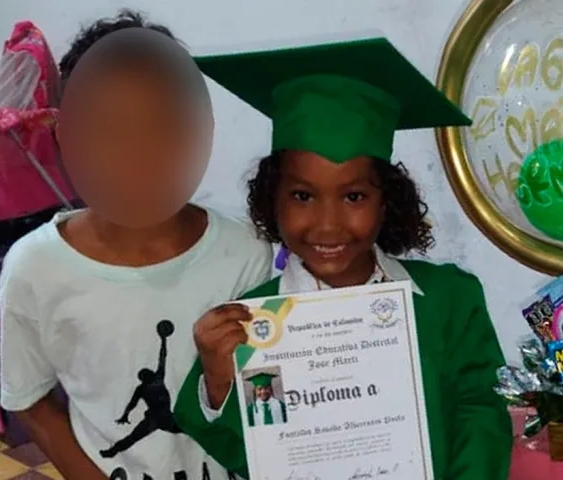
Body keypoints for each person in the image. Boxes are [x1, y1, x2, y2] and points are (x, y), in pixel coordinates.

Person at [173, 36, 513, 479]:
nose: (327, 224)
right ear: (271, 200)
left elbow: (480, 417)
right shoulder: (253, 328)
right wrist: (221, 379)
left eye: (353, 195)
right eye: (302, 195)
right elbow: (257, 455)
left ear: (387, 200)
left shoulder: (450, 300)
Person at [0, 10, 271, 480]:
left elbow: (265, 386)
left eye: (162, 124)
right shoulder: (34, 268)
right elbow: (28, 398)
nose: (140, 153)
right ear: (69, 136)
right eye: (110, 130)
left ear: (199, 129)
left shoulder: (246, 251)